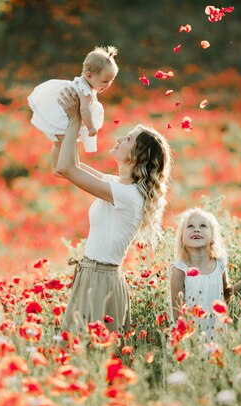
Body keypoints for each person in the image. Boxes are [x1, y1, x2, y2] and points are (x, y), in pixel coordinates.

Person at [55, 87, 172, 336]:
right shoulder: (118, 186)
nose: (119, 140)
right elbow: (64, 165)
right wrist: (62, 129)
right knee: (82, 354)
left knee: (89, 356)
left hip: (100, 280)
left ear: (137, 156)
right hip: (92, 274)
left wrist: (76, 120)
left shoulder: (128, 196)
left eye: (128, 139)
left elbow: (66, 168)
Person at [170, 208, 241, 338]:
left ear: (213, 236)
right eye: (190, 226)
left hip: (218, 333)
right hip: (193, 336)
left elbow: (224, 295)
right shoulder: (179, 270)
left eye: (203, 226)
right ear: (182, 238)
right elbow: (176, 312)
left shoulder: (219, 264)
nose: (196, 229)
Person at [28, 45, 118, 160]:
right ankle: (71, 166)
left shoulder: (79, 83)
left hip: (57, 118)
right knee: (69, 145)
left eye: (111, 81)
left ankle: (58, 167)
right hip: (62, 121)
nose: (108, 85)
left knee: (59, 144)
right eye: (105, 81)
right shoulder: (86, 91)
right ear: (89, 75)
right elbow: (84, 109)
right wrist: (91, 127)